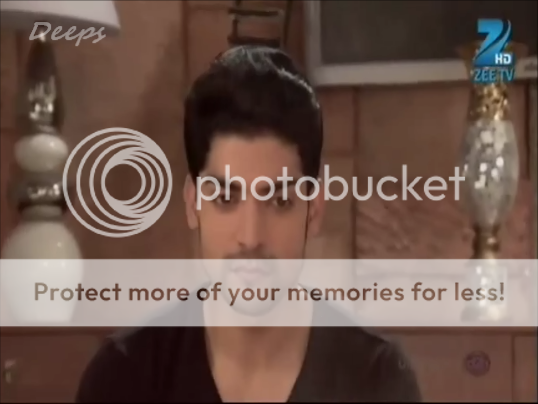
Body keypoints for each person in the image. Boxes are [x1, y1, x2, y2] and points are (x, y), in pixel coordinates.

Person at [75, 45, 422, 403]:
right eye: (226, 200)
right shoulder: (124, 377)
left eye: (280, 202)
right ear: (193, 205)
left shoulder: (376, 378)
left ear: (314, 211)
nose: (251, 237)